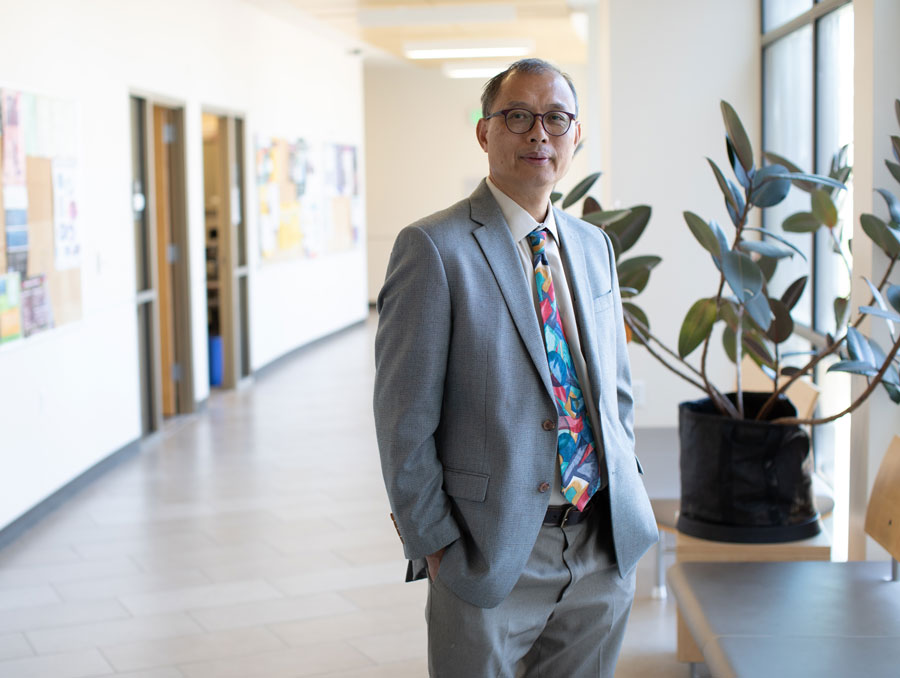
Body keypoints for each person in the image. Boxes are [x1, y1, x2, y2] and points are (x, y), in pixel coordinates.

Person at [373, 58, 658, 678]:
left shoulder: (593, 244)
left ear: (575, 135)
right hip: (490, 549)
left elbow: (615, 392)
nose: (539, 134)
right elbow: (403, 418)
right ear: (484, 133)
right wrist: (436, 544)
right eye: (518, 116)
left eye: (556, 118)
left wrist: (626, 487)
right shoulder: (434, 248)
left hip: (601, 544)